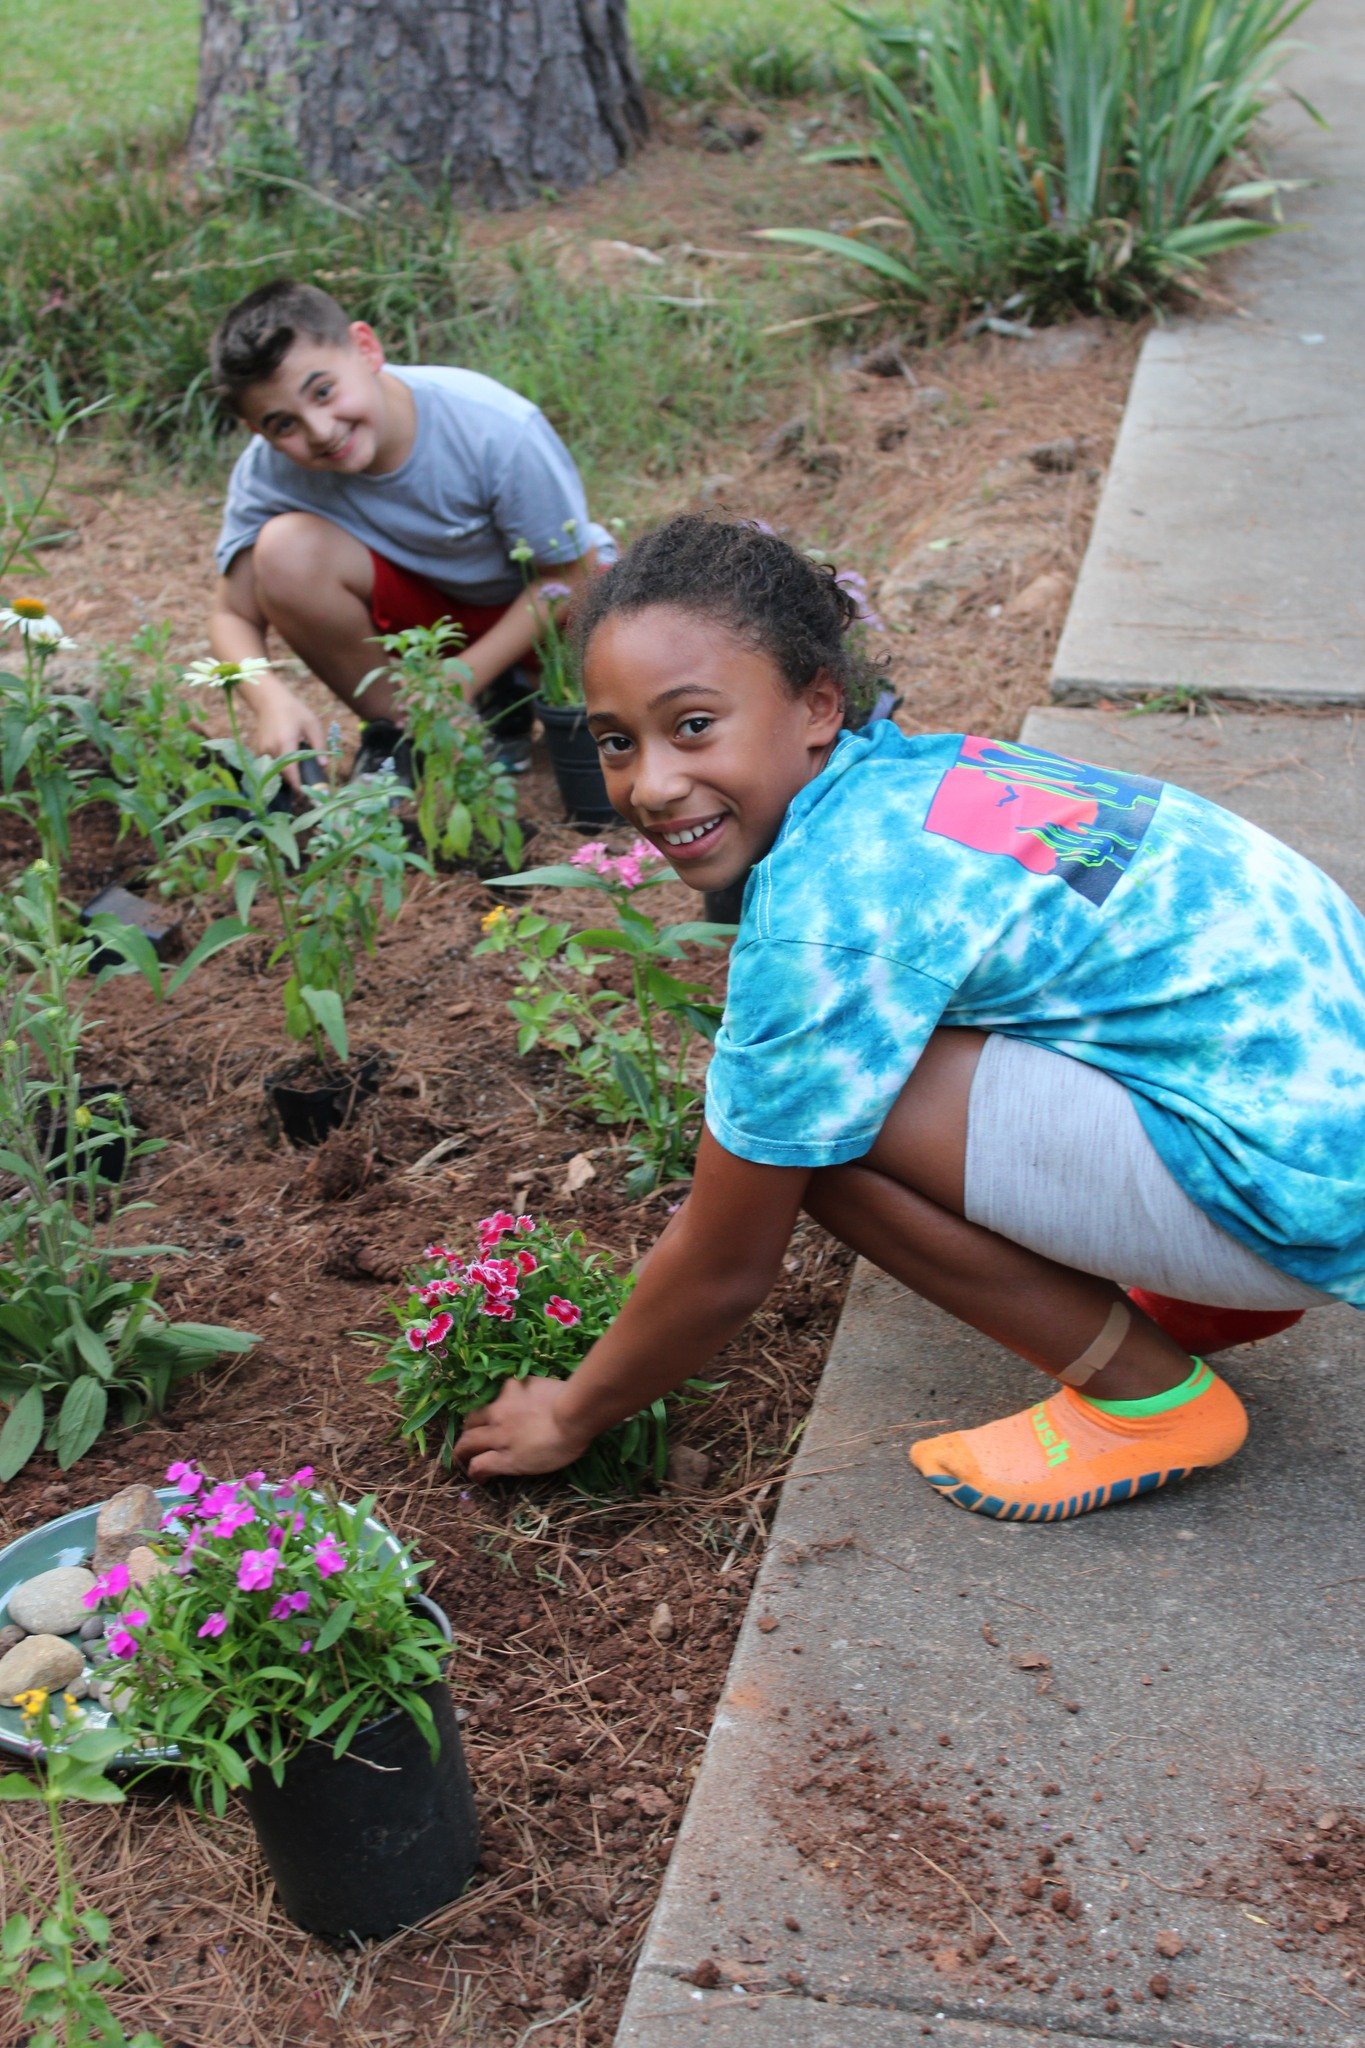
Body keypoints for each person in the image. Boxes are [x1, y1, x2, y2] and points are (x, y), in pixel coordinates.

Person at [454, 515, 1365, 1522]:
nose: (652, 782)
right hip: (1313, 1120)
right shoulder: (931, 772)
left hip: (1296, 1187)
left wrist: (573, 1411)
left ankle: (1147, 1398)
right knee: (835, 1076)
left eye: (694, 724)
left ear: (817, 702)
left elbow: (725, 1262)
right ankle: (1205, 1290)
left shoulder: (828, 909)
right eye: (618, 742)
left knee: (802, 1136)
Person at [206, 278, 610, 781]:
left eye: (324, 391)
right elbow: (231, 615)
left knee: (638, 673)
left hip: (553, 616)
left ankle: (503, 692)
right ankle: (409, 731)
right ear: (257, 431)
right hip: (432, 626)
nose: (320, 430)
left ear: (366, 348)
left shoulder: (492, 426)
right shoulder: (267, 470)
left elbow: (573, 571)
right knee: (284, 552)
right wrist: (267, 699)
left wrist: (466, 673)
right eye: (283, 424)